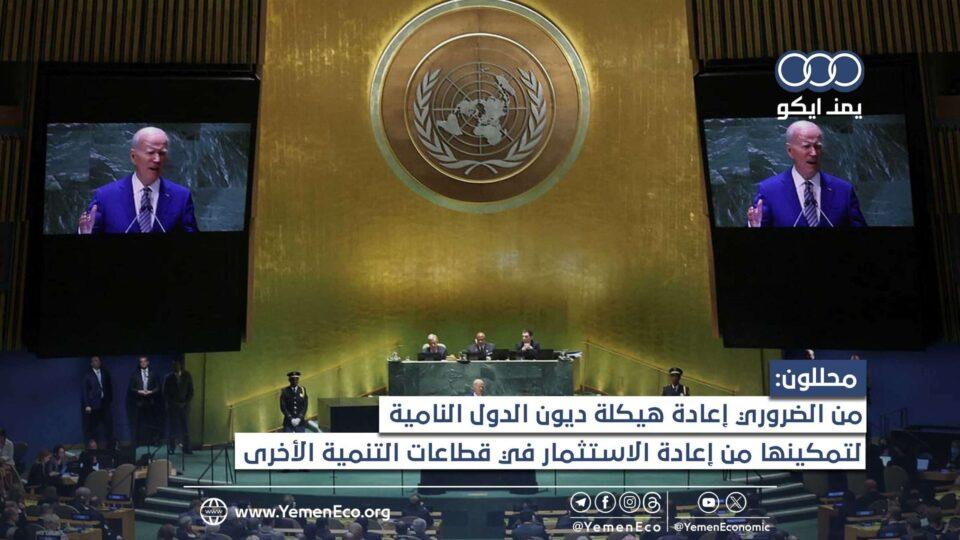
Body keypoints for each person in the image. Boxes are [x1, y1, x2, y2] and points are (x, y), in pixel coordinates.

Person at [78, 126, 198, 234]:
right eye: (150, 152)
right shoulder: (105, 196)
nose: (157, 159)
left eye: (162, 153)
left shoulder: (181, 197)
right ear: (133, 157)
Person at [746, 120, 866, 228]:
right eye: (806, 146)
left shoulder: (844, 190)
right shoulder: (769, 191)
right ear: (790, 151)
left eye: (818, 146)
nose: (814, 153)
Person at [163, 358, 194, 454]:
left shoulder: (187, 375)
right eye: (173, 365)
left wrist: (185, 402)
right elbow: (165, 393)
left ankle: (186, 448)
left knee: (185, 428)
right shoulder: (168, 377)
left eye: (176, 364)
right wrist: (174, 403)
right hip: (173, 407)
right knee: (172, 428)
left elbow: (191, 391)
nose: (175, 366)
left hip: (184, 406)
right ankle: (171, 448)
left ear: (180, 365)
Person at [82, 356, 114, 447]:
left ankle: (111, 447)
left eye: (98, 360)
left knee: (109, 426)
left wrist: (109, 399)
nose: (97, 362)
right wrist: (87, 405)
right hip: (94, 405)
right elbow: (85, 391)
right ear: (91, 363)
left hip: (105, 404)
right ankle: (94, 449)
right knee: (94, 428)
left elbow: (109, 387)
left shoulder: (104, 373)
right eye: (95, 361)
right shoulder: (87, 375)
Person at [129, 356, 160, 446]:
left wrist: (151, 392)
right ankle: (137, 442)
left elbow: (158, 387)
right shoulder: (135, 374)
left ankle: (155, 441)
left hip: (151, 402)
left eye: (144, 361)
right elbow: (131, 388)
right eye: (141, 362)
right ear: (139, 363)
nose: (143, 363)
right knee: (138, 423)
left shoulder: (153, 373)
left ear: (148, 362)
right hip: (139, 402)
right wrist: (139, 391)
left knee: (152, 422)